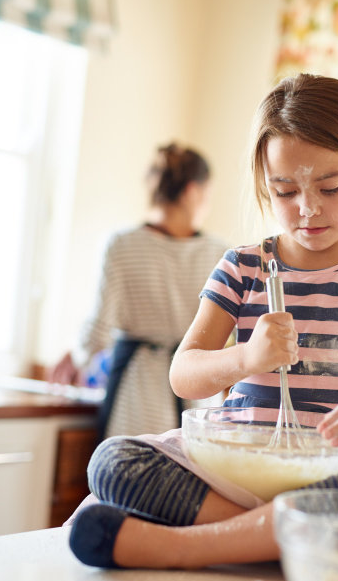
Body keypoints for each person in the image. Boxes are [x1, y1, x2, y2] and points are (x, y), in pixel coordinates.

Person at [68, 74, 338, 570]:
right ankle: (285, 535)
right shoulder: (243, 266)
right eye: (285, 190)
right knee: (113, 461)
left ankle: (189, 547)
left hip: (333, 470)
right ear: (264, 186)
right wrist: (246, 356)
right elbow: (183, 371)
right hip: (235, 466)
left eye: (331, 187)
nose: (307, 209)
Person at [49, 143, 228, 440]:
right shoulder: (221, 253)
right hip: (198, 395)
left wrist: (76, 356)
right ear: (192, 191)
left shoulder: (121, 244)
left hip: (138, 395)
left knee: (132, 479)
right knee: (191, 479)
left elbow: (99, 328)